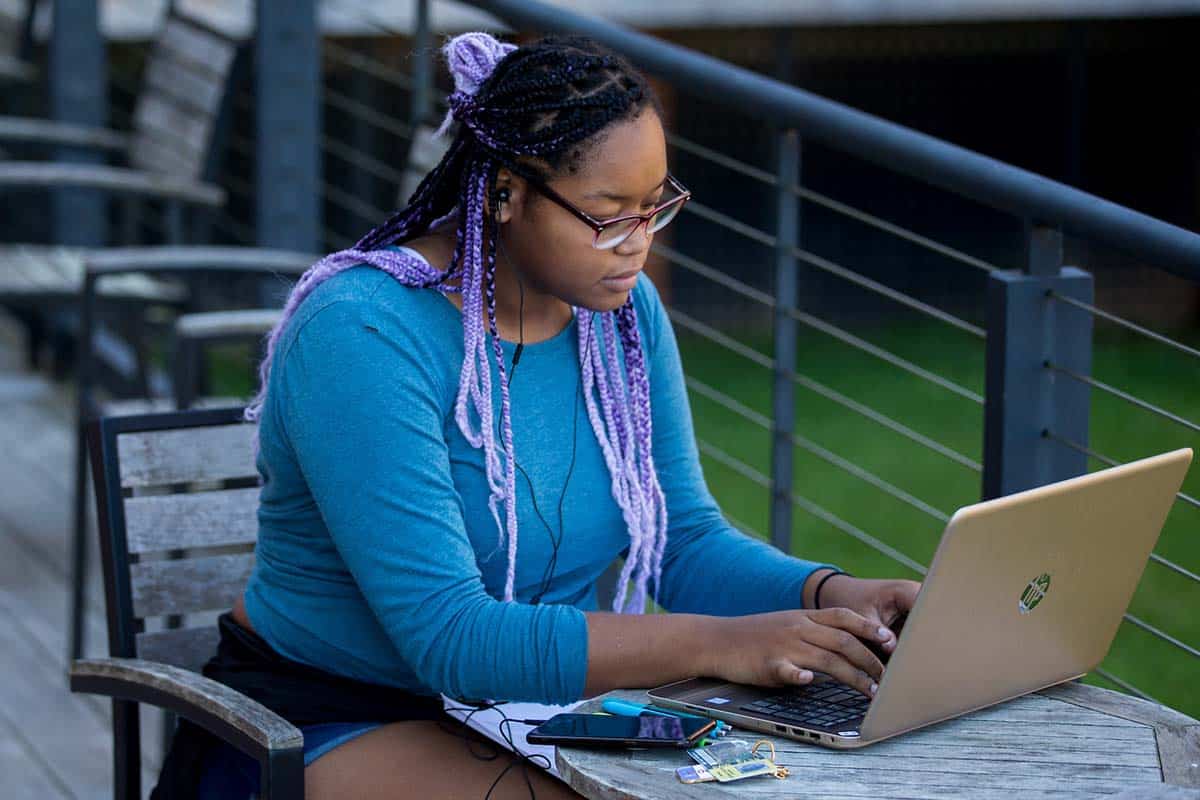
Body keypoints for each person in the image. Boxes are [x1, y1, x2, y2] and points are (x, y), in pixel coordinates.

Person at [168, 32, 921, 800]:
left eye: (653, 207)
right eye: (607, 215)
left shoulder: (620, 317)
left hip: (538, 712)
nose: (638, 245)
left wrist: (833, 597)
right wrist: (721, 644)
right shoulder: (361, 332)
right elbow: (450, 638)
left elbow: (681, 542)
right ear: (504, 193)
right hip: (330, 715)